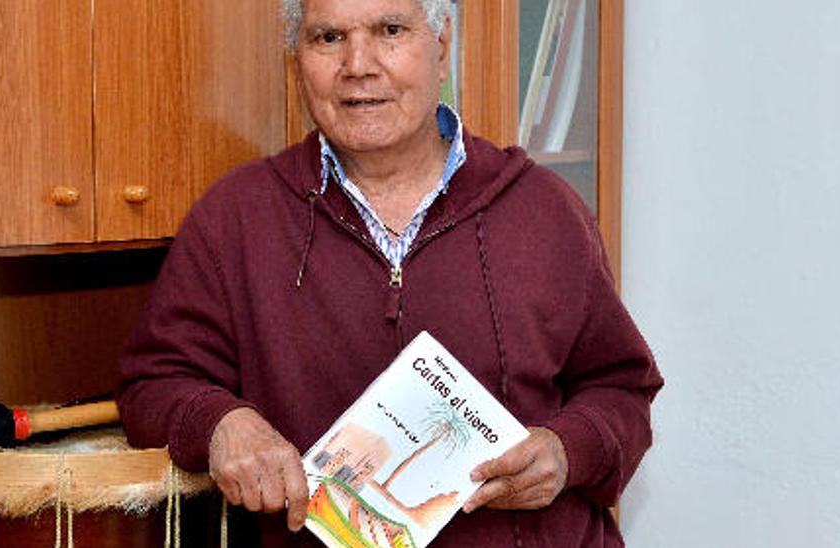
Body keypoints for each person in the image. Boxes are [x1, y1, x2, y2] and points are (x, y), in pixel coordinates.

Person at [117, 0, 663, 545]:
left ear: (442, 46)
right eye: (328, 38)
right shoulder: (235, 216)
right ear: (298, 58)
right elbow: (154, 385)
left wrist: (568, 451)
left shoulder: (545, 209)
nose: (358, 64)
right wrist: (219, 424)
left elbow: (619, 388)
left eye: (391, 30)